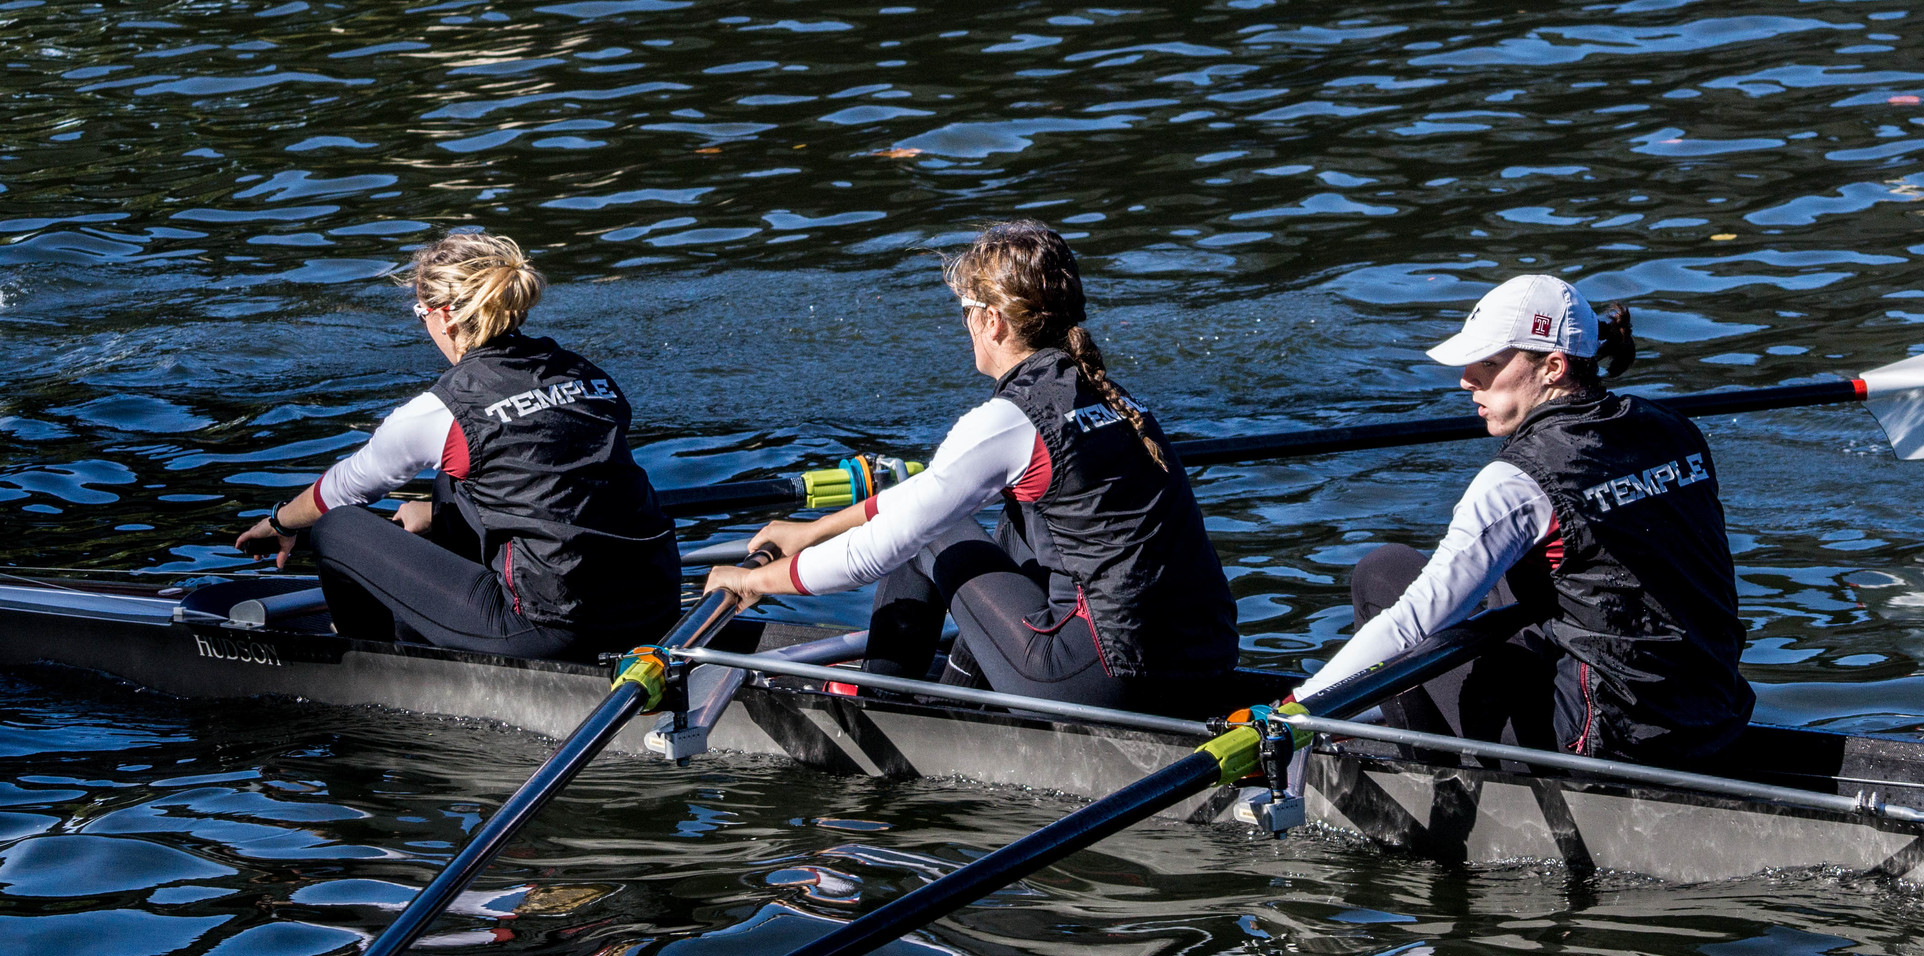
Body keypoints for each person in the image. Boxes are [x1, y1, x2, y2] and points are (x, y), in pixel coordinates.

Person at [703, 220, 1238, 715]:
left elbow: (879, 550)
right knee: (1011, 527)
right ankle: (960, 697)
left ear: (994, 320)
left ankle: (881, 709)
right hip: (1208, 663)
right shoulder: (1116, 400)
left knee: (937, 537)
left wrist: (759, 581)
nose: (964, 325)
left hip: (1105, 678)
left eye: (964, 310)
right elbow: (927, 491)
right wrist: (815, 530)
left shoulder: (1010, 420)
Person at [1290, 274, 1754, 765]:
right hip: (1717, 710)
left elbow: (1409, 625)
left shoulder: (1517, 480)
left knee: (1381, 573)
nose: (1467, 380)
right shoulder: (1673, 428)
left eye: (1488, 364)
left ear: (1553, 367)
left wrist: (1291, 712)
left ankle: (1436, 788)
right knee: (1511, 584)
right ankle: (1365, 718)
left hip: (1603, 743)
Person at [233, 231, 679, 659]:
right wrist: (438, 515)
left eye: (419, 312)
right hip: (659, 606)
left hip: (551, 628)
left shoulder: (443, 410)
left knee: (336, 527)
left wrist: (282, 523)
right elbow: (560, 480)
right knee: (453, 478)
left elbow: (343, 491)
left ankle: (377, 655)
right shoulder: (586, 375)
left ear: (444, 315)